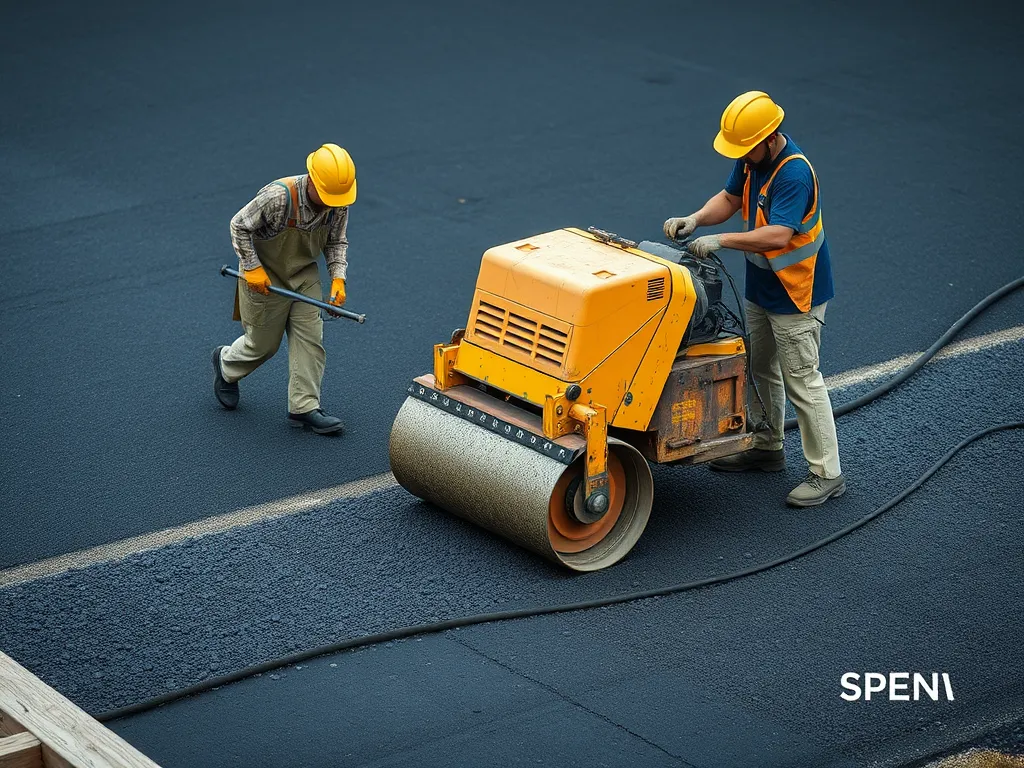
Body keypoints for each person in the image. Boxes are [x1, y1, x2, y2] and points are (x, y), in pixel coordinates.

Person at [663, 91, 845, 507]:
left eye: (747, 149)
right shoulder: (753, 157)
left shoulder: (793, 174)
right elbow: (729, 199)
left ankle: (826, 473)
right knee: (760, 368)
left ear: (770, 136)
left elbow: (779, 235)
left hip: (797, 293)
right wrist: (695, 219)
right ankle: (767, 446)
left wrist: (721, 240)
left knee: (803, 381)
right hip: (763, 289)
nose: (742, 156)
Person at [212, 143, 356, 435]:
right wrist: (251, 266)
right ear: (313, 179)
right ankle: (226, 364)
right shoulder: (278, 197)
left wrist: (338, 278)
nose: (333, 203)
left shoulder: (338, 201)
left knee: (310, 340)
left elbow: (336, 242)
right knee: (263, 345)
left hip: (304, 275)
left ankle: (304, 407)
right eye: (327, 195)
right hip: (264, 277)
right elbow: (239, 225)